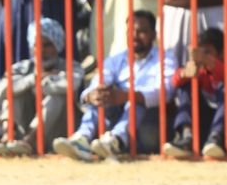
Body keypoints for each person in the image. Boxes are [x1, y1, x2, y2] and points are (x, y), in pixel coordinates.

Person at [53, 9, 177, 159]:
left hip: (151, 128)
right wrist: (92, 95)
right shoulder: (116, 60)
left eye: (141, 31)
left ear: (153, 34)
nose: (134, 36)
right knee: (102, 94)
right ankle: (82, 139)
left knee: (136, 100)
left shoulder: (166, 59)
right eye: (130, 31)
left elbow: (166, 92)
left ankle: (115, 141)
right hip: (118, 123)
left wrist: (127, 96)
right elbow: (98, 81)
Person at [0, 17, 83, 155]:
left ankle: (31, 140)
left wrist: (30, 87)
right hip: (23, 127)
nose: (41, 50)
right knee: (13, 94)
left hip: (58, 133)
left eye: (47, 45)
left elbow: (70, 85)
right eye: (37, 44)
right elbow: (1, 90)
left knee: (57, 96)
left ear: (57, 45)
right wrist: (35, 78)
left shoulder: (72, 67)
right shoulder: (21, 68)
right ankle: (7, 137)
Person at [162, 27, 227, 159]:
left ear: (222, 53)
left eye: (207, 52)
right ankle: (187, 138)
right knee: (187, 84)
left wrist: (208, 61)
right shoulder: (200, 71)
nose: (201, 57)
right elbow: (174, 82)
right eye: (199, 53)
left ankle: (216, 138)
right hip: (204, 127)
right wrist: (185, 73)